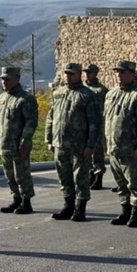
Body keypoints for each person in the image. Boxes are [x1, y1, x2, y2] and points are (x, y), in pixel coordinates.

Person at [45, 63, 100, 222]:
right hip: (60, 143)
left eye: (72, 74)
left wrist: (90, 145)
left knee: (81, 178)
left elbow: (94, 122)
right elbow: (51, 117)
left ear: (79, 75)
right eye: (66, 73)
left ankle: (80, 209)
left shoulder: (87, 95)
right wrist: (49, 139)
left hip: (79, 145)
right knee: (64, 177)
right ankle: (68, 206)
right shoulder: (58, 93)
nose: (68, 76)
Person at [106, 60, 137, 227]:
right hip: (114, 148)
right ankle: (125, 211)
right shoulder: (111, 94)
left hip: (131, 149)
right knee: (121, 183)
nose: (119, 75)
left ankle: (136, 213)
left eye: (123, 72)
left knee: (135, 183)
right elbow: (107, 121)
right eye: (117, 72)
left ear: (132, 74)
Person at [0, 67, 39, 215]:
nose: (4, 82)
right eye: (2, 79)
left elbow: (31, 122)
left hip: (18, 145)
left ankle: (26, 201)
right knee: (9, 175)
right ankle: (16, 199)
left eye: (7, 79)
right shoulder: (1, 98)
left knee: (21, 175)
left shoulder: (25, 99)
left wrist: (25, 142)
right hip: (4, 143)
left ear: (17, 79)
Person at [83, 64, 109, 191]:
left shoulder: (101, 90)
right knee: (86, 152)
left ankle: (98, 177)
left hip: (97, 124)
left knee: (97, 152)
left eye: (90, 72)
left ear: (95, 73)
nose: (87, 74)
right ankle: (90, 175)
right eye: (86, 72)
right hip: (84, 125)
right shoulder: (82, 89)